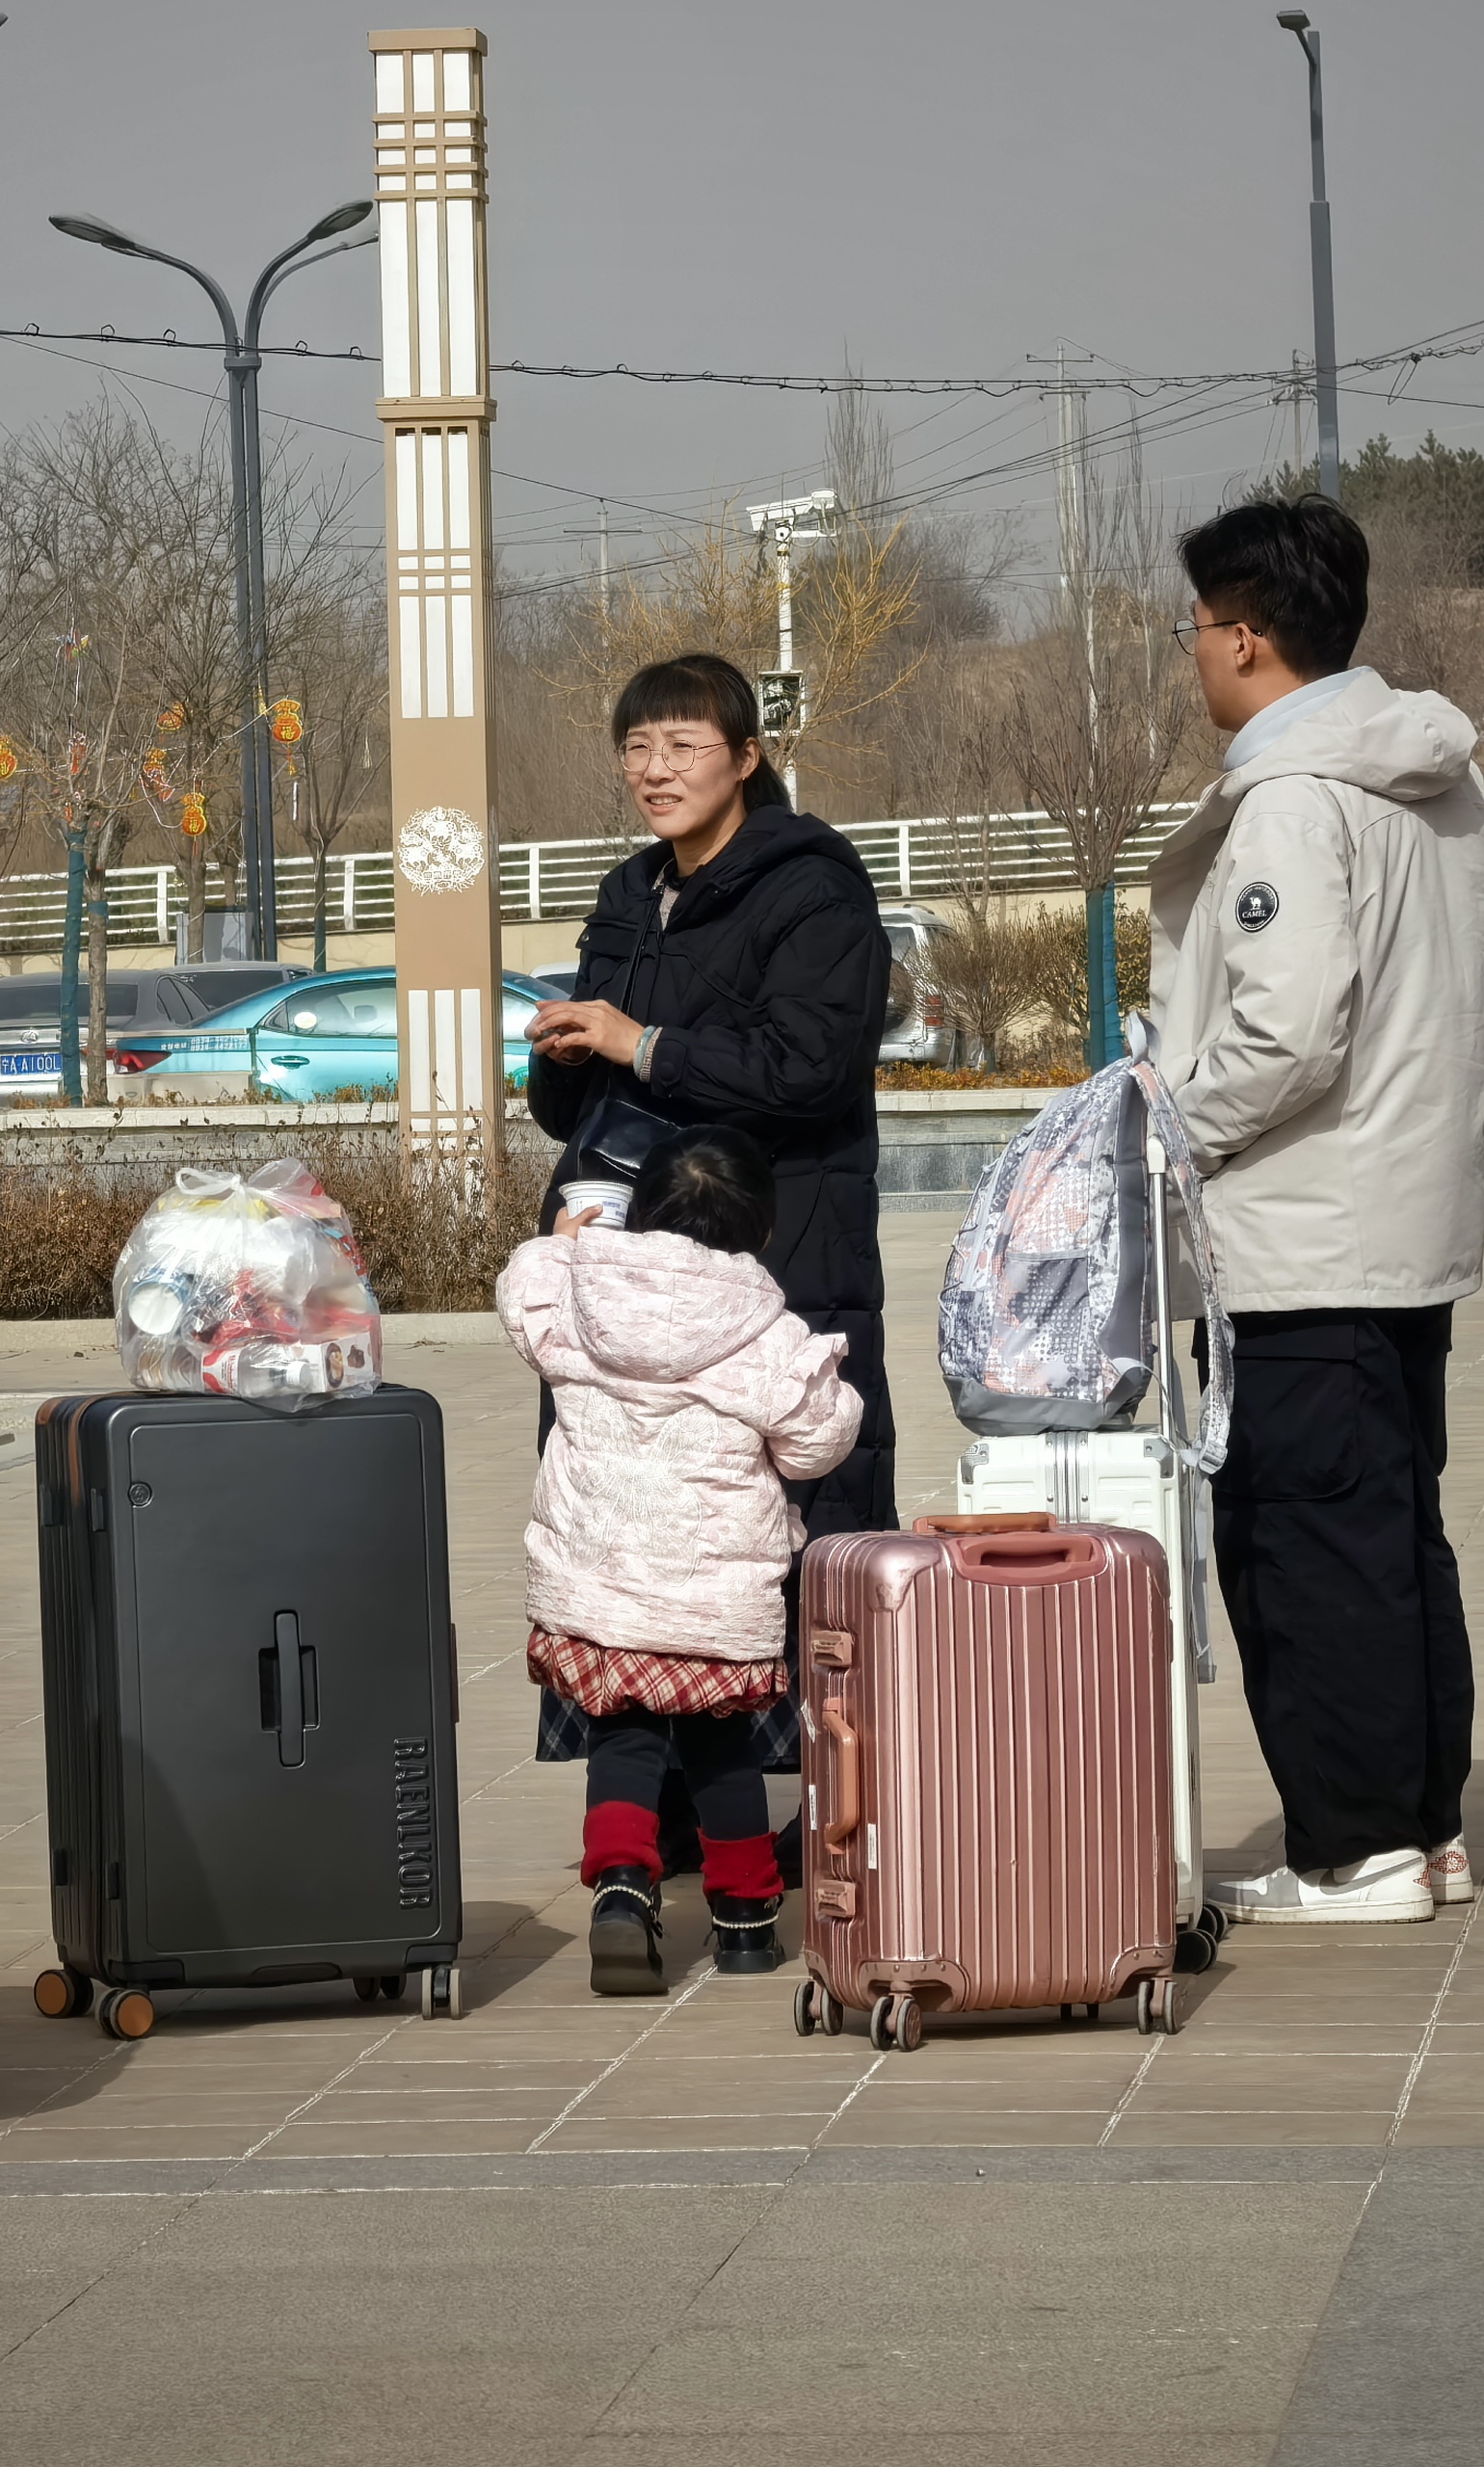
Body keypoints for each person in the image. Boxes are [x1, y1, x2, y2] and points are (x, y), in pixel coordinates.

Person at [1145, 498, 1484, 1927]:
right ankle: (1423, 1829)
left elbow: (1286, 1038)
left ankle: (1358, 1849)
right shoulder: (1446, 782)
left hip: (1296, 1240)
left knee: (1306, 1548)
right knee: (1392, 1532)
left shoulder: (1298, 799)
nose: (1193, 655)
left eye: (1196, 629)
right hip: (1405, 1224)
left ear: (1245, 636)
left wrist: (1152, 1129)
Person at [529, 650, 896, 1877]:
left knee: (798, 1519)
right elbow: (576, 1091)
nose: (653, 770)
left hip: (779, 1254)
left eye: (682, 746)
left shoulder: (812, 889)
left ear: (746, 757)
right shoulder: (631, 893)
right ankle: (671, 1813)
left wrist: (644, 1044)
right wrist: (571, 1051)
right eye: (636, 748)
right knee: (631, 1529)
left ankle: (835, 1809)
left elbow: (808, 1071)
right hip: (628, 1267)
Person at [505, 1126, 862, 1993]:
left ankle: (624, 1890)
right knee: (724, 1750)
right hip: (714, 1596)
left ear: (642, 1210)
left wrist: (567, 1241)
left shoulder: (582, 1296)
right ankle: (744, 1921)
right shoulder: (764, 1329)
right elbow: (820, 1441)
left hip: (600, 1586)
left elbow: (523, 1295)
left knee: (622, 1739)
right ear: (762, 1233)